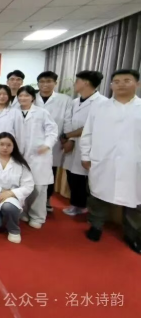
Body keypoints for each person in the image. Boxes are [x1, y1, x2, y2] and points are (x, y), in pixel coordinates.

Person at [80, 69, 141, 254]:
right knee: (98, 196)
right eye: (117, 81)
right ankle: (96, 226)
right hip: (103, 160)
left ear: (137, 84)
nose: (121, 84)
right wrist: (85, 155)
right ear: (111, 85)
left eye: (127, 80)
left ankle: (132, 235)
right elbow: (88, 132)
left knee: (136, 200)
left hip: (134, 163)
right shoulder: (100, 107)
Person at [62, 71, 107, 216]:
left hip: (89, 145)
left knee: (83, 178)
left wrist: (69, 136)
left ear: (86, 83)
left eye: (77, 81)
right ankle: (75, 204)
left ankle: (82, 206)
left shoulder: (102, 103)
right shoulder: (75, 102)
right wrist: (69, 139)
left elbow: (91, 127)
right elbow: (69, 121)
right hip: (73, 143)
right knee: (71, 175)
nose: (74, 84)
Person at [16, 85, 58, 229]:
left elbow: (52, 131)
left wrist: (47, 145)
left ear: (33, 98)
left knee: (39, 187)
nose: (23, 98)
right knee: (22, 185)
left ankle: (37, 216)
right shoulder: (15, 113)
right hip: (20, 155)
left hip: (39, 155)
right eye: (20, 96)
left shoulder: (42, 112)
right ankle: (23, 212)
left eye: (26, 95)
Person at [0, 133, 35, 244]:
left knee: (9, 207)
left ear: (13, 146)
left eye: (9, 145)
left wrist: (10, 193)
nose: (5, 148)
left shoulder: (20, 163)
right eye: (1, 144)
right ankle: (6, 216)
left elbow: (28, 185)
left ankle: (14, 230)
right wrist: (0, 191)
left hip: (11, 197)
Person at [35, 71, 73, 213]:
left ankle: (46, 199)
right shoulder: (31, 97)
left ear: (55, 83)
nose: (45, 84)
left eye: (49, 81)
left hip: (54, 142)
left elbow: (68, 120)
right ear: (38, 83)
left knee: (50, 171)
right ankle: (31, 200)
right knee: (31, 171)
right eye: (42, 82)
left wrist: (67, 139)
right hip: (32, 141)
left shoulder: (65, 100)